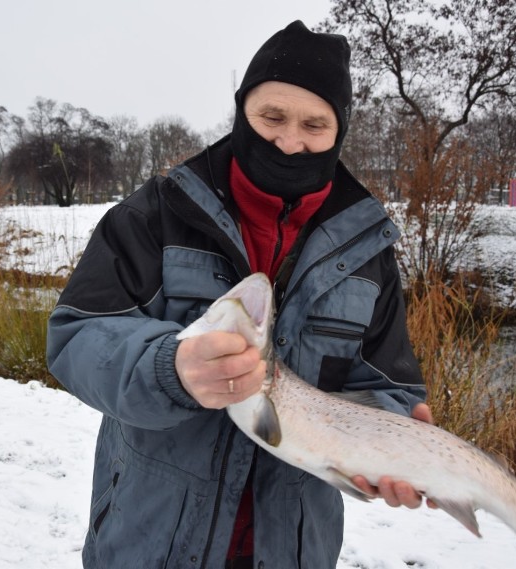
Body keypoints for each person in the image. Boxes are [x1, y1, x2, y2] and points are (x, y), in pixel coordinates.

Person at [47, 20, 433, 569]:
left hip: (293, 551)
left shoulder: (369, 247)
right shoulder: (156, 212)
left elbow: (386, 384)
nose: (289, 141)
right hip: (149, 543)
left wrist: (384, 449)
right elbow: (77, 335)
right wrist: (169, 368)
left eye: (314, 125)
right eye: (272, 116)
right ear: (241, 111)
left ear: (338, 131)